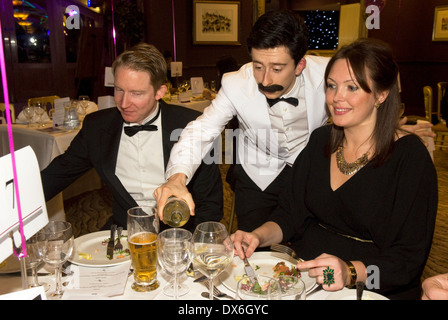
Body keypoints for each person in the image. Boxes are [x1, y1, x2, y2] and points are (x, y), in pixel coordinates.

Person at [154, 10, 434, 231]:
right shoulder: (235, 83)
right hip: (258, 175)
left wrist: (390, 126)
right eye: (258, 66)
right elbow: (201, 130)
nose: (265, 79)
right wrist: (177, 178)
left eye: (277, 68)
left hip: (312, 170)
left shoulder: (328, 73)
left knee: (311, 241)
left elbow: (377, 80)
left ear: (300, 64)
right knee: (256, 248)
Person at [231, 38, 438, 300]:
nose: (337, 97)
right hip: (305, 277)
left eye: (352, 87)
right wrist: (257, 236)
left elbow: (407, 263)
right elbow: (290, 214)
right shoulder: (321, 140)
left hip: (372, 286)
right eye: (331, 86)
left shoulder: (410, 159)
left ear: (381, 94)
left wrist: (350, 271)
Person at [41, 43, 223, 231]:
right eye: (119, 90)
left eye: (136, 93)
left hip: (180, 230)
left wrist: (195, 244)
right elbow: (58, 174)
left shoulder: (191, 126)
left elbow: (210, 201)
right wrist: (13, 203)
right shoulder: (97, 127)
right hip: (125, 230)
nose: (123, 102)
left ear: (160, 91)